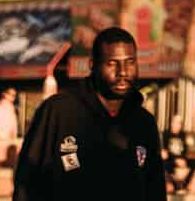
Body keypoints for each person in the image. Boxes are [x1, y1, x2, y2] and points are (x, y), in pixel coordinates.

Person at [12, 26, 165, 201]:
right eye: (112, 63)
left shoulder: (143, 123)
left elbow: (155, 188)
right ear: (92, 65)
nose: (122, 72)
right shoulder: (58, 112)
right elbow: (27, 181)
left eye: (130, 62)